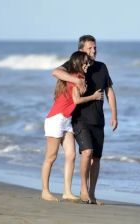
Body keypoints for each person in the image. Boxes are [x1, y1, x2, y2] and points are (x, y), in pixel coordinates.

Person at [52, 35, 118, 205]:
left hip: (98, 119)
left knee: (96, 158)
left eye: (95, 47)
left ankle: (92, 194)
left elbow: (109, 91)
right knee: (86, 152)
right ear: (81, 50)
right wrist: (75, 79)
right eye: (90, 48)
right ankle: (83, 188)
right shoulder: (75, 65)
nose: (93, 51)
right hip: (80, 118)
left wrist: (114, 114)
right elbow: (56, 72)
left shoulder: (102, 67)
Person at [41, 51, 104, 202]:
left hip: (66, 120)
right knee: (51, 157)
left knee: (71, 155)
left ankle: (67, 192)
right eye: (85, 62)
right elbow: (76, 100)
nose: (87, 64)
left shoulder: (78, 77)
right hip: (56, 119)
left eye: (88, 62)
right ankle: (45, 191)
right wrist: (94, 97)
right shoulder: (77, 77)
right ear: (77, 63)